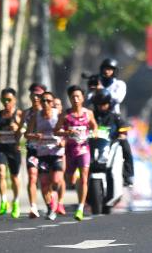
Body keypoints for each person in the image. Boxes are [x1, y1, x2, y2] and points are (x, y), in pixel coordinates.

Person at [56, 85, 98, 220]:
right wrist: (67, 132)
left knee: (84, 178)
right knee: (70, 179)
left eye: (78, 96)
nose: (75, 99)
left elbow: (94, 125)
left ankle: (80, 208)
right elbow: (56, 130)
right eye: (73, 97)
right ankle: (76, 177)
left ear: (82, 98)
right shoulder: (65, 115)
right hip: (70, 150)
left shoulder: (88, 113)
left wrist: (95, 132)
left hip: (84, 149)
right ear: (69, 98)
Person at [26, 91, 65, 220]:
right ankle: (50, 208)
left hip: (56, 153)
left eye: (48, 101)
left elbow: (66, 132)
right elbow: (27, 134)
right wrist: (35, 136)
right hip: (42, 154)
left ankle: (54, 198)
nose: (45, 103)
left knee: (56, 180)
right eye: (43, 101)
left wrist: (63, 142)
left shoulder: (58, 115)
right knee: (43, 183)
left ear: (52, 102)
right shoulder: (36, 116)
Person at [98, 58, 134, 187]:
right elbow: (88, 99)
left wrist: (101, 91)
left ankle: (128, 175)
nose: (107, 71)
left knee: (124, 145)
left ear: (114, 71)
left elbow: (118, 98)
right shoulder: (96, 83)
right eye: (105, 69)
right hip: (97, 118)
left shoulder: (119, 84)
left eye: (110, 69)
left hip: (114, 119)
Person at [0, 87, 23, 218]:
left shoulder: (19, 114)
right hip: (2, 148)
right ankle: (4, 200)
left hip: (14, 149)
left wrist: (17, 129)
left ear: (14, 100)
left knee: (14, 177)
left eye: (9, 100)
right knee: (1, 172)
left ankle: (16, 202)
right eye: (4, 100)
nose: (6, 102)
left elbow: (25, 131)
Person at [22, 83, 46, 218]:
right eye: (33, 95)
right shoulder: (27, 113)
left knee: (46, 180)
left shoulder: (51, 112)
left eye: (39, 95)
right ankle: (33, 207)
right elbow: (23, 131)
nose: (36, 98)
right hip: (32, 149)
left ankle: (52, 202)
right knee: (32, 176)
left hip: (48, 150)